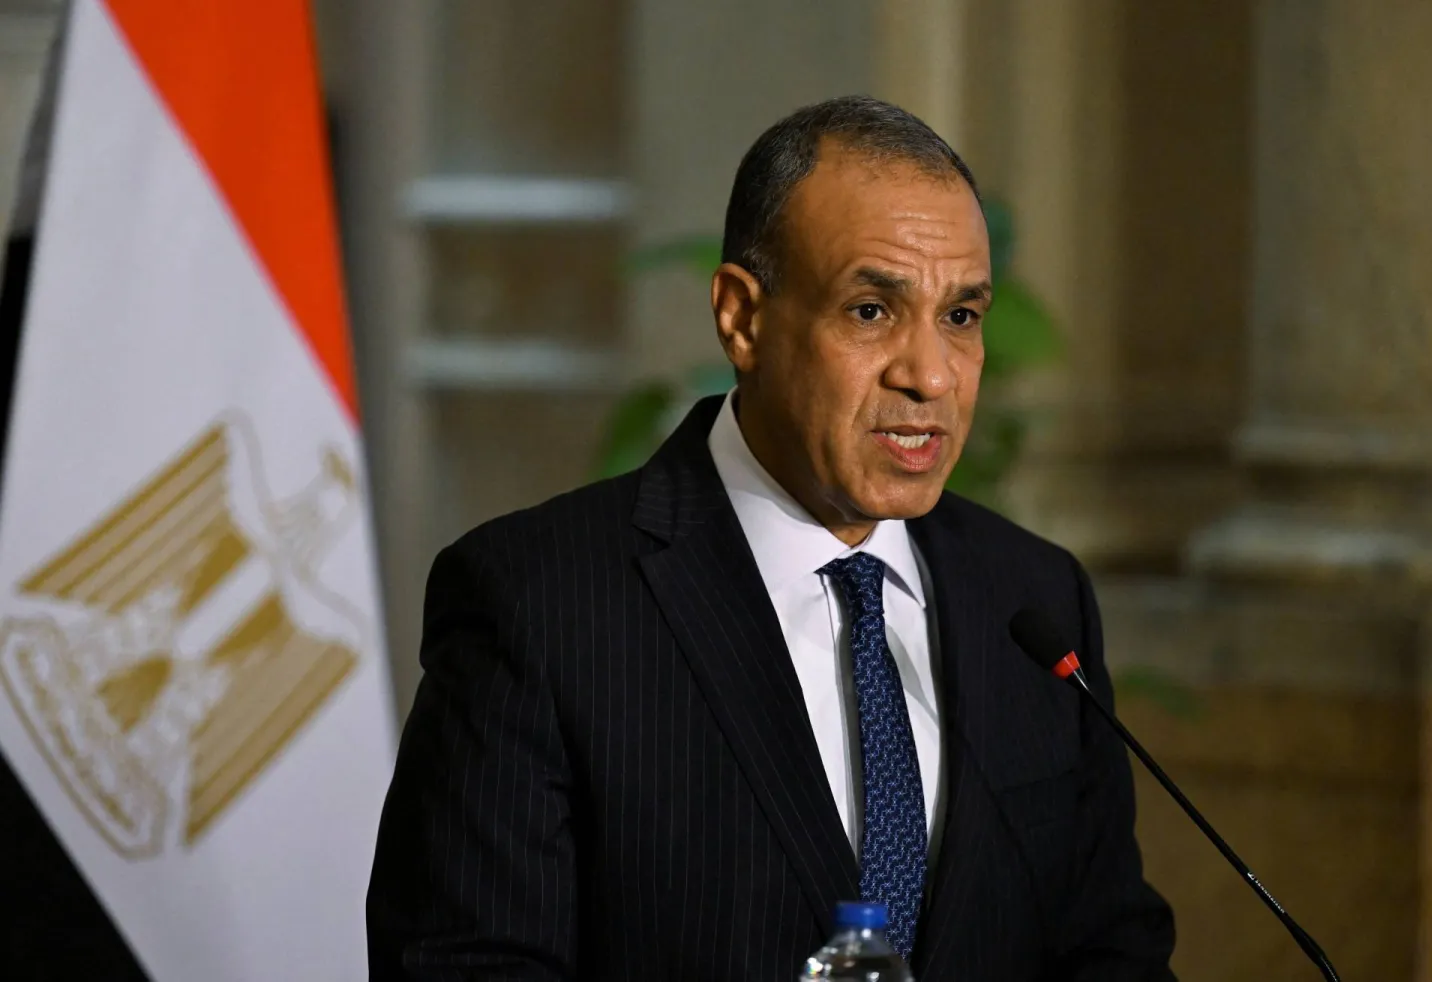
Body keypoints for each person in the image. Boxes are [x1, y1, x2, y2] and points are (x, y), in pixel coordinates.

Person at [366, 95, 1175, 981]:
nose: (931, 374)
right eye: (872, 311)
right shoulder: (541, 604)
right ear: (743, 319)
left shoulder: (1035, 600)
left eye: (961, 317)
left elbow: (1110, 952)